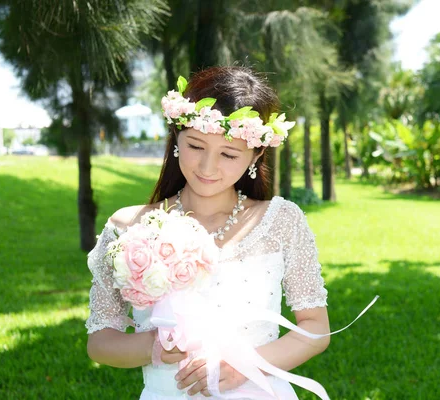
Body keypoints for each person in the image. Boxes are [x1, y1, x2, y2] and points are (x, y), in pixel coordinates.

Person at [85, 66, 330, 399]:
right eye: (196, 146)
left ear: (256, 154)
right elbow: (100, 341)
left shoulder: (282, 221)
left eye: (228, 154)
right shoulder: (127, 228)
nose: (207, 168)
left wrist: (246, 364)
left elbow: (316, 328)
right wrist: (157, 348)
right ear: (177, 139)